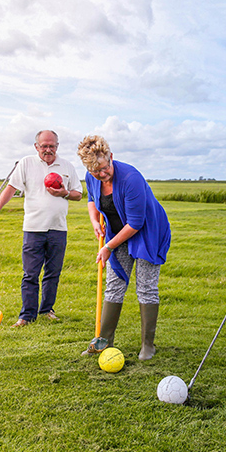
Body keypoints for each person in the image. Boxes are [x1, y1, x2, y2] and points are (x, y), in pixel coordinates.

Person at [77, 135, 171, 360]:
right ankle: (103, 341)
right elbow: (92, 198)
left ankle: (148, 345)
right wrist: (94, 221)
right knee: (114, 285)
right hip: (118, 232)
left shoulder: (130, 178)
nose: (102, 174)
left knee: (146, 286)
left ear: (111, 156)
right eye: (95, 172)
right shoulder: (92, 176)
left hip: (148, 232)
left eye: (104, 167)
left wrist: (108, 246)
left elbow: (136, 223)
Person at [0, 130, 82, 327]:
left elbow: (78, 194)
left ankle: (47, 310)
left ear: (57, 146)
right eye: (44, 146)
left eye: (52, 146)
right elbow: (11, 188)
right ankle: (26, 316)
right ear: (36, 146)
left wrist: (64, 193)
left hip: (58, 229)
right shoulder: (26, 163)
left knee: (53, 272)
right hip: (33, 228)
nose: (48, 149)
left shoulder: (67, 166)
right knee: (30, 274)